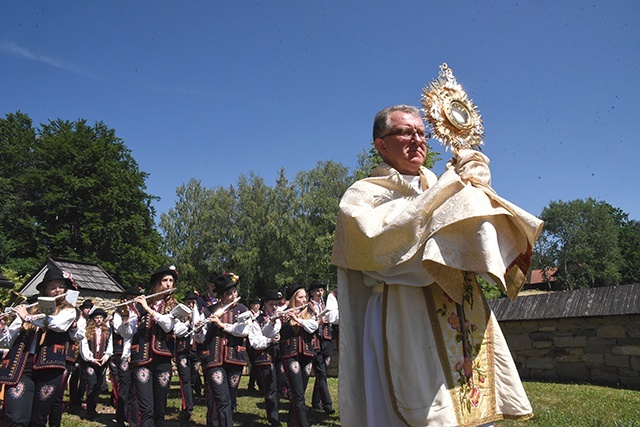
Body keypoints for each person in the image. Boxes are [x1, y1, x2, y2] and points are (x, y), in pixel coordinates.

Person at [331, 104, 543, 427]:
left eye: (422, 132)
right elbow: (384, 246)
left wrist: (477, 188)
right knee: (421, 415)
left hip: (460, 310)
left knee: (470, 408)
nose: (417, 140)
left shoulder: (445, 182)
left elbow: (474, 239)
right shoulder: (362, 195)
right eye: (406, 132)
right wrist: (450, 187)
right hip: (402, 310)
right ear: (381, 145)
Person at [0, 267, 77, 426]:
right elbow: (7, 340)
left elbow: (58, 325)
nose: (57, 290)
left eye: (61, 286)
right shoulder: (30, 307)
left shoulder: (68, 310)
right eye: (53, 287)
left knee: (38, 420)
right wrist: (2, 327)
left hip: (50, 368)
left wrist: (28, 318)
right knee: (16, 418)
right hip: (22, 366)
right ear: (45, 289)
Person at [129, 265, 189, 427]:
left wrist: (148, 309)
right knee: (146, 407)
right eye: (164, 280)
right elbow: (129, 332)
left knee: (160, 407)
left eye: (171, 280)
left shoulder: (176, 307)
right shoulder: (141, 305)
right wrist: (124, 314)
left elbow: (169, 326)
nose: (168, 284)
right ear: (157, 283)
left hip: (163, 359)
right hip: (142, 358)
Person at [194, 273, 250, 427]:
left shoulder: (243, 309)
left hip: (235, 358)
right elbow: (200, 339)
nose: (233, 296)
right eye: (228, 293)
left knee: (229, 400)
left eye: (234, 292)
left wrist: (222, 325)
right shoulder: (209, 310)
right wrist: (198, 330)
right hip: (214, 359)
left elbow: (244, 331)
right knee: (222, 399)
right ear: (221, 296)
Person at [278, 283, 319, 427]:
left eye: (305, 297)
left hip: (307, 354)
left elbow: (314, 327)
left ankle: (291, 423)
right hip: (290, 354)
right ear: (294, 299)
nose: (304, 300)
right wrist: (275, 320)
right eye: (301, 297)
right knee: (298, 395)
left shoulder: (310, 312)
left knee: (300, 393)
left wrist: (298, 320)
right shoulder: (283, 313)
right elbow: (270, 332)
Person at [248, 289, 283, 427]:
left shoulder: (281, 317)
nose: (274, 307)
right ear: (265, 305)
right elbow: (255, 342)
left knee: (280, 386)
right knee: (271, 388)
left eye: (276, 304)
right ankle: (273, 418)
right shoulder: (258, 320)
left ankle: (276, 414)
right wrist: (270, 340)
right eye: (271, 304)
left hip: (279, 356)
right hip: (264, 356)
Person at [111, 286, 141, 427]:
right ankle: (120, 415)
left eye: (136, 297)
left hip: (138, 352)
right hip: (123, 352)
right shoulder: (118, 312)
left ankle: (132, 417)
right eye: (131, 296)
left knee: (136, 387)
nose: (133, 299)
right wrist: (125, 316)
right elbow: (122, 331)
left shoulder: (141, 311)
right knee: (124, 385)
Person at [307, 280, 337, 414]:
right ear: (312, 293)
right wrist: (318, 322)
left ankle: (315, 400)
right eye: (317, 291)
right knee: (321, 372)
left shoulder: (326, 304)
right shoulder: (308, 306)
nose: (320, 293)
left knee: (323, 370)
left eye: (321, 290)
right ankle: (327, 404)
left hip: (326, 341)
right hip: (315, 341)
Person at [173, 290, 202, 422]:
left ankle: (194, 399)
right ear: (184, 303)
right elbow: (177, 332)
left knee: (194, 376)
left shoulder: (199, 314)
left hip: (195, 350)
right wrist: (187, 322)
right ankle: (187, 407)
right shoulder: (179, 315)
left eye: (193, 302)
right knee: (185, 379)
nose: (191, 304)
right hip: (183, 349)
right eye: (189, 302)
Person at [80, 307, 113, 420]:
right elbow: (83, 346)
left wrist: (106, 356)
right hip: (90, 361)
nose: (99, 320)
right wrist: (91, 358)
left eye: (100, 318)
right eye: (96, 318)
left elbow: (110, 345)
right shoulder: (87, 331)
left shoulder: (108, 331)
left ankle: (93, 408)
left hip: (102, 360)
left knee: (98, 386)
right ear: (93, 319)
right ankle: (89, 410)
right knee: (91, 384)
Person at [68, 298, 93, 411]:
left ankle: (80, 398)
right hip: (76, 348)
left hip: (86, 350)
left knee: (84, 377)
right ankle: (73, 400)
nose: (88, 310)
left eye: (89, 308)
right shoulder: (78, 319)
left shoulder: (90, 321)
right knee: (75, 376)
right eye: (86, 308)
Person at [246, 296, 262, 394]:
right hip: (250, 341)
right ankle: (252, 384)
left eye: (258, 304)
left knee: (257, 364)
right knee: (255, 364)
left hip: (260, 340)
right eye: (255, 304)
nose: (257, 305)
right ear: (251, 305)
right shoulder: (248, 314)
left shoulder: (262, 314)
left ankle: (255, 384)